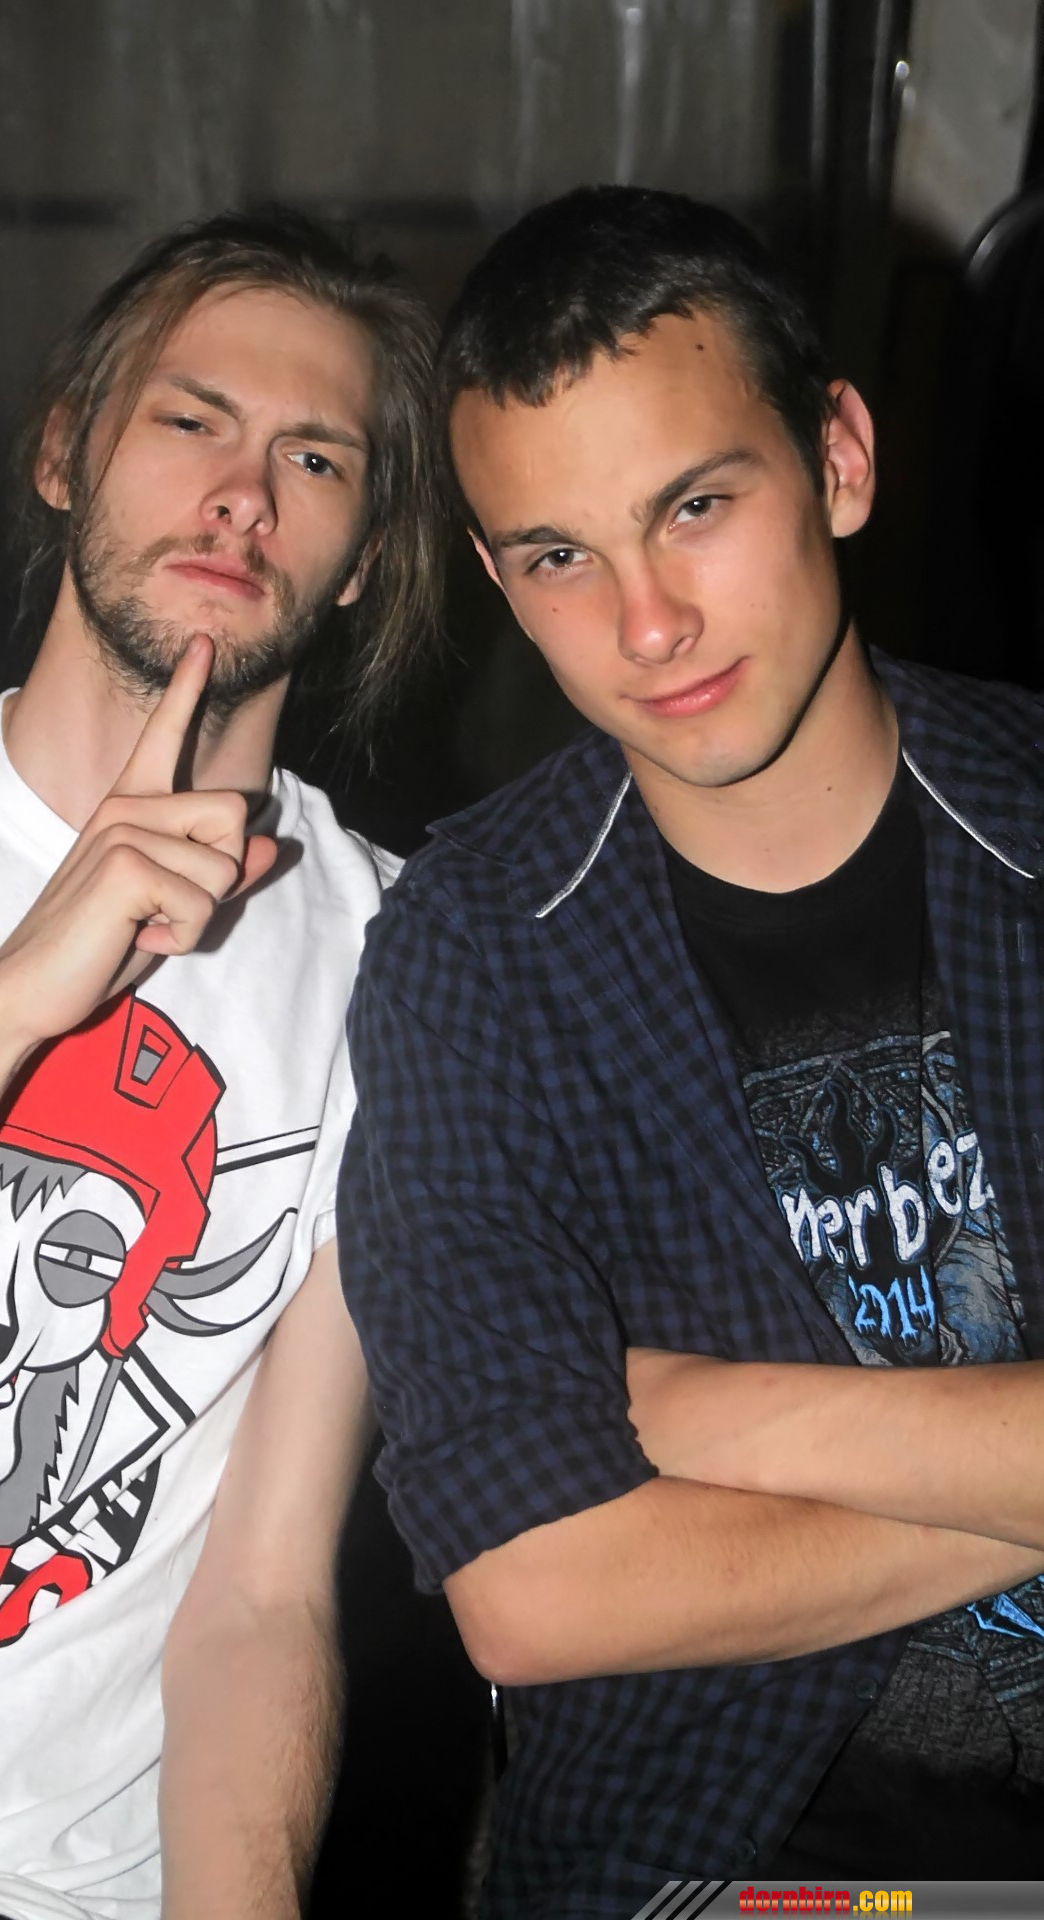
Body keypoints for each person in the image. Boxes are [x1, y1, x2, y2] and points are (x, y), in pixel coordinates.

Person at [338, 183, 1044, 1916]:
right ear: (498, 580)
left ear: (840, 460)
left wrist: (707, 1415)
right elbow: (532, 1591)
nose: (646, 624)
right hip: (722, 1877)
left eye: (697, 507)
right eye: (559, 557)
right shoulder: (476, 945)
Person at [0, 207, 442, 1920]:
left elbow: (264, 1600)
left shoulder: (400, 962)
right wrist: (2, 1012)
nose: (243, 493)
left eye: (314, 457)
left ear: (364, 558)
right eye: (190, 419)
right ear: (65, 451)